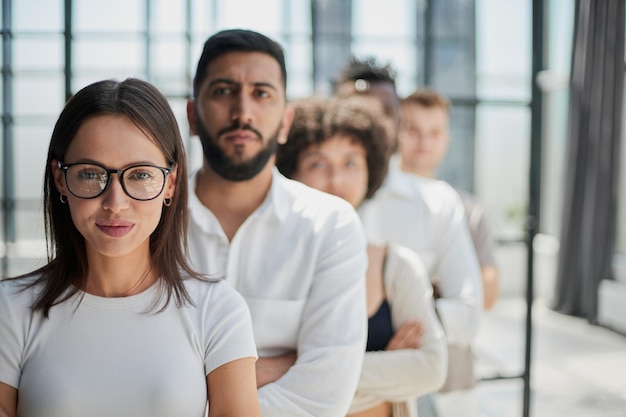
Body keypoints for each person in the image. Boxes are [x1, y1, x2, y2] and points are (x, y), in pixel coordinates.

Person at [0, 78, 260, 417]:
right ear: (60, 178)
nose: (115, 203)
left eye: (140, 175)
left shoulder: (217, 310)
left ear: (171, 182)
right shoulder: (10, 309)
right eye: (91, 174)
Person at [185, 29, 368, 416]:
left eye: (261, 93)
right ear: (192, 116)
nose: (243, 112)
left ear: (285, 122)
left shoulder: (330, 226)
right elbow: (130, 367)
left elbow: (324, 391)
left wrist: (189, 390)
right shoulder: (148, 220)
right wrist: (282, 363)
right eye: (222, 91)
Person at [276, 95, 447, 417]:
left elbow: (432, 367)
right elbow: (247, 386)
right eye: (318, 163)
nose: (336, 180)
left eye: (351, 163)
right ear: (293, 173)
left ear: (371, 171)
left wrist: (294, 367)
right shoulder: (272, 267)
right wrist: (387, 364)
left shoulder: (396, 265)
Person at [334, 57, 484, 417]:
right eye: (355, 111)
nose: (370, 122)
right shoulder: (301, 201)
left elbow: (468, 312)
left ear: (398, 122)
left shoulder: (436, 202)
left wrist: (405, 323)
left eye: (384, 111)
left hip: (406, 393)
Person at [398, 88, 499, 310]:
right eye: (413, 130)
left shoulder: (469, 210)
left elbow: (488, 293)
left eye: (434, 133)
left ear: (446, 138)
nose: (424, 141)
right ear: (396, 133)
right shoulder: (379, 203)